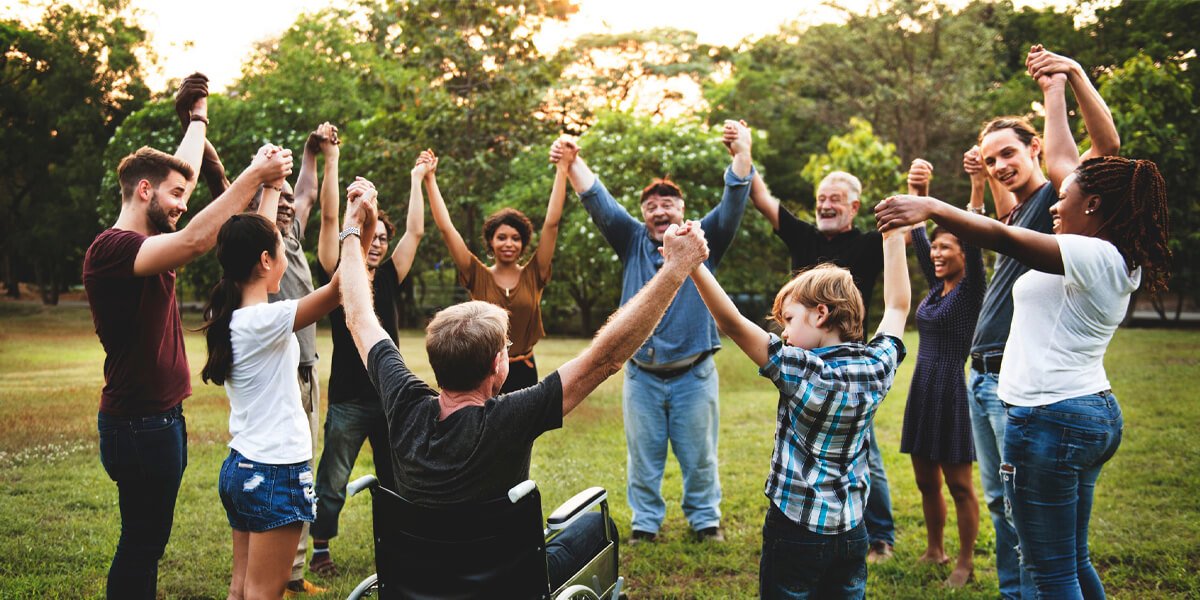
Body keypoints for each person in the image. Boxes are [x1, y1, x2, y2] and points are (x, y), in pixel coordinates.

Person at [337, 182, 712, 589]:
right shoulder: (513, 417)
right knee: (594, 525)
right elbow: (606, 358)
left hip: (420, 578)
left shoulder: (403, 401)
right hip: (506, 582)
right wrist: (675, 270)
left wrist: (352, 227)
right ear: (499, 365)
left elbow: (358, 315)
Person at [876, 151, 1169, 597]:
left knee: (1049, 572)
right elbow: (1055, 175)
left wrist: (933, 206)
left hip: (1050, 418)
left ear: (1092, 205)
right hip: (1085, 410)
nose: (1054, 204)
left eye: (1064, 196)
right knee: (1072, 559)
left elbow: (1002, 236)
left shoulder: (1093, 253)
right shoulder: (1112, 257)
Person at [83, 79, 292, 597]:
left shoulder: (147, 238)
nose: (183, 202)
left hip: (157, 420)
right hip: (138, 425)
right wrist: (255, 176)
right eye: (175, 196)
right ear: (145, 192)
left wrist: (197, 119)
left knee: (147, 541)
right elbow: (199, 238)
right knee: (141, 543)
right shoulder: (113, 248)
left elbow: (183, 178)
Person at [961, 44, 1121, 598]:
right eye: (990, 159)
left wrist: (1059, 84)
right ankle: (1015, 594)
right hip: (984, 374)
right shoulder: (1023, 213)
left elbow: (1100, 151)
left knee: (1034, 531)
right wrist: (979, 188)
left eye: (1009, 154)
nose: (1002, 166)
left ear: (1035, 148)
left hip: (1029, 389)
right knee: (1005, 505)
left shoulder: (1057, 200)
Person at [687, 210, 910, 597]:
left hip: (796, 529)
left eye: (788, 319)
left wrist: (694, 265)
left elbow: (731, 322)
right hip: (853, 529)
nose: (785, 333)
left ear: (820, 313)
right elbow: (897, 306)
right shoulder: (877, 366)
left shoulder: (800, 370)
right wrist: (892, 237)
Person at [552, 120, 755, 543]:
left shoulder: (704, 240)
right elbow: (597, 199)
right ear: (643, 215)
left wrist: (742, 152)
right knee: (643, 459)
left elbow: (735, 198)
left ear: (682, 209)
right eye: (651, 206)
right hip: (641, 375)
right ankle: (645, 525)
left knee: (700, 458)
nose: (660, 211)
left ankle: (705, 522)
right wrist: (573, 161)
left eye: (668, 203)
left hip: (694, 375)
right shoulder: (630, 240)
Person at [198, 173, 362, 600]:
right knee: (263, 593)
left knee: (241, 589)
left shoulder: (238, 314)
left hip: (242, 468)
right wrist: (353, 224)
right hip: (275, 472)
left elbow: (260, 242)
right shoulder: (268, 320)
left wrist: (270, 187)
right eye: (280, 251)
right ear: (267, 261)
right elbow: (341, 287)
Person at [748, 166, 896, 561]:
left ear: (854, 206)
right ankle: (820, 522)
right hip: (802, 364)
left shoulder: (867, 244)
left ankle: (879, 535)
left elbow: (905, 245)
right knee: (806, 444)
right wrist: (742, 156)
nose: (825, 205)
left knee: (866, 454)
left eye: (834, 199)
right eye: (821, 200)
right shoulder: (804, 236)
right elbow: (761, 198)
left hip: (850, 370)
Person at [309, 159, 425, 575]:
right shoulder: (340, 275)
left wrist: (416, 179)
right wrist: (340, 183)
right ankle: (320, 549)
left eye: (382, 239)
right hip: (348, 400)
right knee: (333, 478)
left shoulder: (392, 275)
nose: (376, 244)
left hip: (391, 397)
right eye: (370, 236)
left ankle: (398, 545)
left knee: (397, 477)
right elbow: (327, 220)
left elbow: (415, 232)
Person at [899, 159, 984, 588]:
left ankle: (965, 563)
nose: (935, 253)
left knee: (959, 484)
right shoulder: (937, 288)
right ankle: (935, 549)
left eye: (945, 247)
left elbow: (973, 229)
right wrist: (919, 187)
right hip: (922, 388)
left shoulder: (971, 290)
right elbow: (916, 234)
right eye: (934, 248)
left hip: (951, 388)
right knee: (924, 479)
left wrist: (976, 185)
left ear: (965, 254)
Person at [421, 145, 567, 392]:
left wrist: (562, 169)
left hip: (525, 370)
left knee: (523, 431)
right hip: (482, 370)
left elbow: (551, 224)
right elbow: (447, 229)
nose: (509, 243)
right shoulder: (476, 274)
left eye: (515, 238)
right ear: (491, 242)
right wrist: (430, 179)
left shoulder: (535, 273)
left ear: (523, 244)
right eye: (501, 237)